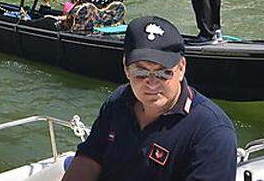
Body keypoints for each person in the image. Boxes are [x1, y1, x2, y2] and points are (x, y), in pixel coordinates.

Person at [62, 16, 237, 181]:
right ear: (126, 68)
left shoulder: (213, 134)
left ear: (182, 68)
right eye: (140, 72)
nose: (152, 84)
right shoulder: (118, 100)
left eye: (163, 73)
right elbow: (91, 156)